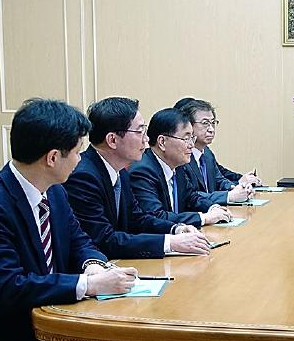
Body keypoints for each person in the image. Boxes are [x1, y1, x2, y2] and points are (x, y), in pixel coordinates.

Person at [0, 99, 145, 341]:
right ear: (53, 157)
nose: (80, 159)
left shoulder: (54, 191)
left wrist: (92, 263)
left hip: (49, 330)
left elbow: (80, 241)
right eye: (77, 151)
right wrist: (87, 284)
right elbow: (8, 285)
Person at [63, 97, 211, 259]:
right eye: (140, 131)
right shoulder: (84, 176)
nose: (146, 139)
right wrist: (170, 243)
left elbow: (137, 218)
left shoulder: (120, 171)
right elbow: (104, 239)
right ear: (112, 140)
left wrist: (175, 229)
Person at [129, 108, 232, 226]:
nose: (191, 145)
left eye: (192, 138)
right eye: (186, 138)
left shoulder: (177, 166)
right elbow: (156, 216)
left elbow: (192, 197)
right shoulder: (142, 171)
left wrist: (212, 207)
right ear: (162, 142)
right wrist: (203, 218)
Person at [174, 97, 258, 205]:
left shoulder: (207, 153)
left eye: (213, 123)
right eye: (205, 123)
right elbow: (190, 196)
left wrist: (238, 187)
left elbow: (219, 180)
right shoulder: (181, 157)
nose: (211, 129)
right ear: (189, 125)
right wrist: (229, 196)